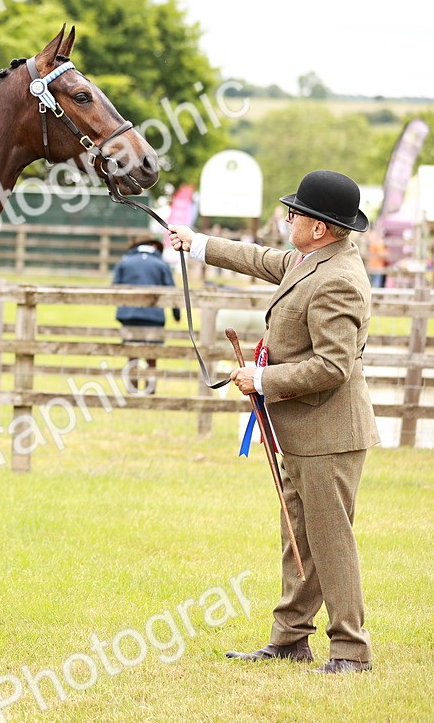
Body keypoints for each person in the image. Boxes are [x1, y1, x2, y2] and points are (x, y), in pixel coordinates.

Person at [168, 169, 378, 675]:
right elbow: (260, 259)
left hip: (329, 434)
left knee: (330, 541)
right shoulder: (312, 261)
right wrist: (196, 244)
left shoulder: (338, 282)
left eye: (295, 212)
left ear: (321, 228)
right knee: (299, 538)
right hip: (303, 432)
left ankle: (350, 649)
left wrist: (262, 378)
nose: (287, 218)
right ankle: (289, 640)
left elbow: (333, 366)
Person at [112, 236, 180, 394]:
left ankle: (132, 389)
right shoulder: (161, 264)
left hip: (129, 315)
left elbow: (114, 288)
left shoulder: (125, 262)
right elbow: (171, 291)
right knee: (152, 354)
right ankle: (150, 390)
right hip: (154, 317)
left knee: (132, 354)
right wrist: (176, 314)